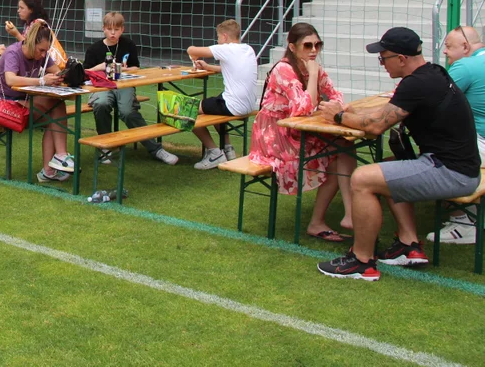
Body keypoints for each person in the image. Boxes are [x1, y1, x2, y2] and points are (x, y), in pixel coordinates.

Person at [316, 28, 483, 281]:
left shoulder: (417, 83)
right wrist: (350, 113)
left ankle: (361, 261)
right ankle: (409, 245)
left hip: (453, 171)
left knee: (362, 178)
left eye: (383, 58)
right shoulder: (432, 73)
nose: (382, 64)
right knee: (390, 167)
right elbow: (388, 111)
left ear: (402, 58)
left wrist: (338, 116)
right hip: (458, 165)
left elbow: (375, 125)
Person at [249, 23, 355, 242]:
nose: (314, 50)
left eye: (318, 44)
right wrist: (314, 77)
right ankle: (333, 217)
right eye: (308, 45)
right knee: (334, 151)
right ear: (293, 47)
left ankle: (347, 213)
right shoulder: (284, 69)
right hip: (275, 133)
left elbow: (335, 95)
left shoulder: (312, 66)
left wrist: (330, 103)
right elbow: (302, 107)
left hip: (298, 129)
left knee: (344, 145)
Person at [83, 12, 178, 166]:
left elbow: (136, 67)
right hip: (101, 86)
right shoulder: (94, 49)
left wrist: (126, 70)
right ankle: (105, 146)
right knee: (101, 104)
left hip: (124, 85)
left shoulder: (128, 44)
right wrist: (100, 67)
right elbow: (85, 72)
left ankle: (155, 149)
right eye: (109, 29)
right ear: (103, 29)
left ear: (122, 29)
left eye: (117, 29)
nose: (113, 33)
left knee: (127, 112)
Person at [0, 20, 74, 182]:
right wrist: (42, 81)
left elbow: (58, 72)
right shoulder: (13, 52)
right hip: (0, 104)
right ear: (32, 42)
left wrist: (65, 75)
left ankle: (55, 163)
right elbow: (11, 80)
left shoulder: (42, 54)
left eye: (46, 51)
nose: (43, 55)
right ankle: (56, 162)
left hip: (23, 100)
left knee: (57, 106)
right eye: (41, 50)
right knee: (54, 111)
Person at [425, 26, 485, 244]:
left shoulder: (465, 66)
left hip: (482, 144)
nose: (445, 53)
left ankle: (464, 223)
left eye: (449, 47)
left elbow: (431, 98)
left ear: (466, 47)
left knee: (440, 151)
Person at [185, 19, 258, 169]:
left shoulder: (226, 48)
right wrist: (207, 66)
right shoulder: (248, 49)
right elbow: (230, 68)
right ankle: (228, 149)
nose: (217, 41)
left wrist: (193, 54)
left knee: (187, 109)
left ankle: (214, 153)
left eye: (218, 37)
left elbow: (191, 50)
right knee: (215, 105)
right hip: (249, 104)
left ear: (224, 37)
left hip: (233, 106)